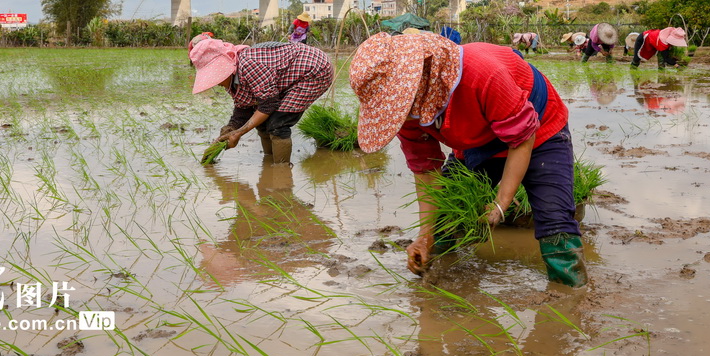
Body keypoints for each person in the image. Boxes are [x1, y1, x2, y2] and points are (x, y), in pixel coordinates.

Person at [349, 32, 588, 287]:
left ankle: (571, 295)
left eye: (399, 104)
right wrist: (424, 236)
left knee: (555, 222)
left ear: (419, 80)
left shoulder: (482, 73)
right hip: (479, 141)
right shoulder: (408, 115)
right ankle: (440, 281)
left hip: (539, 132)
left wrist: (500, 205)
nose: (401, 113)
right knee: (446, 217)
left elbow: (522, 140)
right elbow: (426, 171)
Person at [189, 35, 334, 163]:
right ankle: (269, 161)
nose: (217, 83)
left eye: (216, 76)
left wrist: (239, 133)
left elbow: (268, 105)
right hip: (287, 77)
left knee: (277, 123)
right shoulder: (232, 79)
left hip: (313, 70)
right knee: (262, 124)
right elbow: (243, 107)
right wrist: (230, 129)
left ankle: (280, 171)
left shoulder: (248, 65)